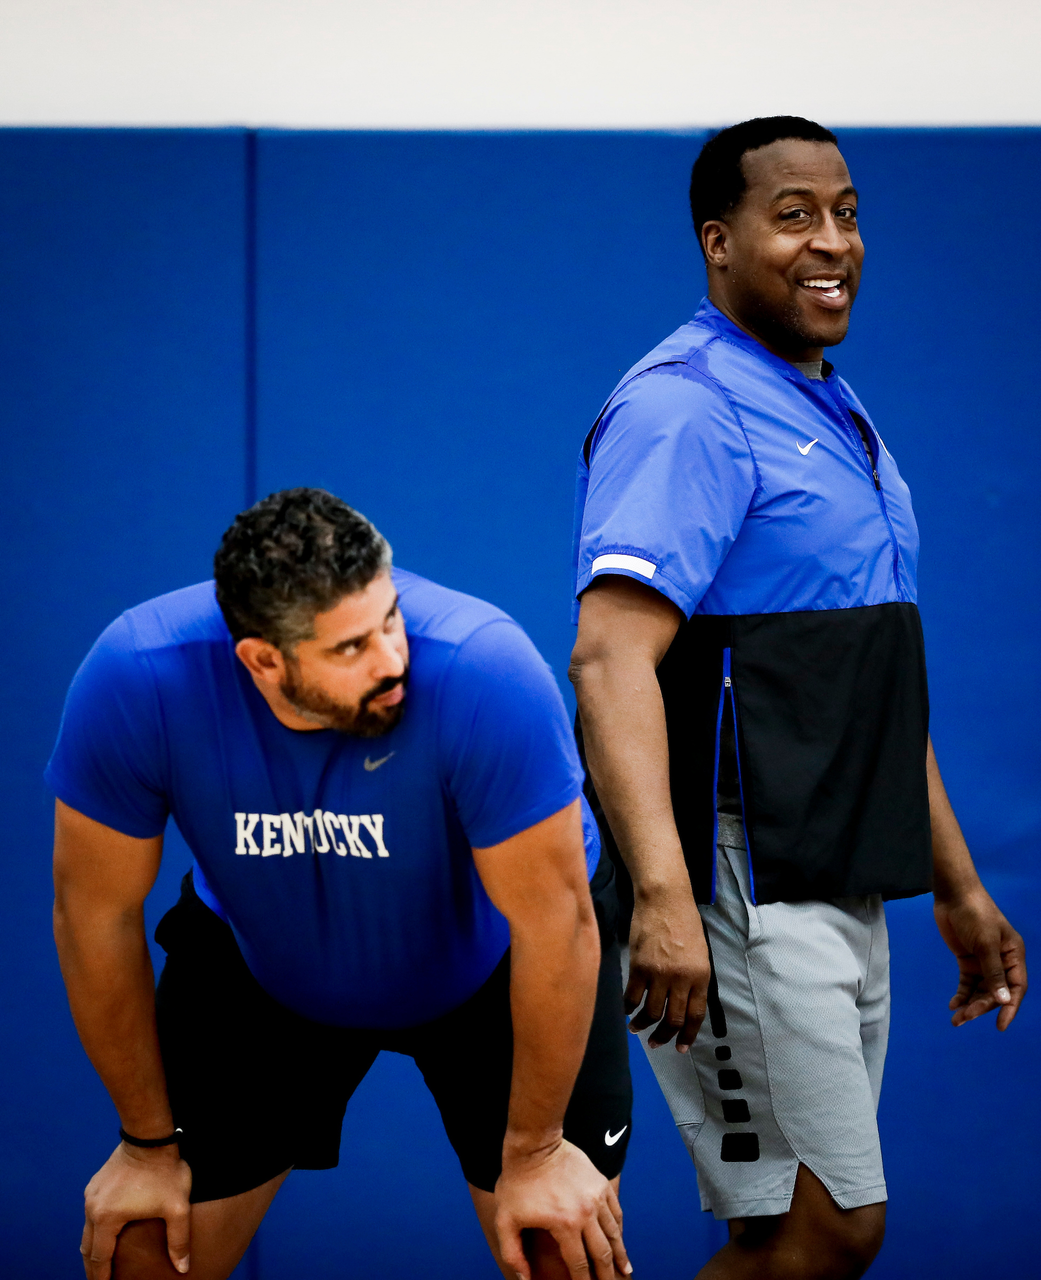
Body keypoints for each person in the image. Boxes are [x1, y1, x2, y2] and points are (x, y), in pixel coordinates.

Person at [567, 116, 1027, 1280]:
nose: (833, 241)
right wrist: (666, 896)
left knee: (787, 1230)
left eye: (847, 213)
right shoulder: (686, 407)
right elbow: (609, 661)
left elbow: (870, 677)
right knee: (828, 1226)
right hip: (740, 878)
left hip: (838, 869)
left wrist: (959, 887)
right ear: (718, 242)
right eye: (794, 216)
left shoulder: (831, 404)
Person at [49, 488, 633, 1280]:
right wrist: (146, 1145)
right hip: (262, 958)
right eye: (351, 647)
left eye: (390, 620)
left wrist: (533, 1153)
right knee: (143, 1251)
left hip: (496, 960)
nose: (391, 660)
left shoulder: (481, 669)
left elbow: (555, 925)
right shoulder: (139, 675)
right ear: (262, 661)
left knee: (561, 1251)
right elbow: (94, 915)